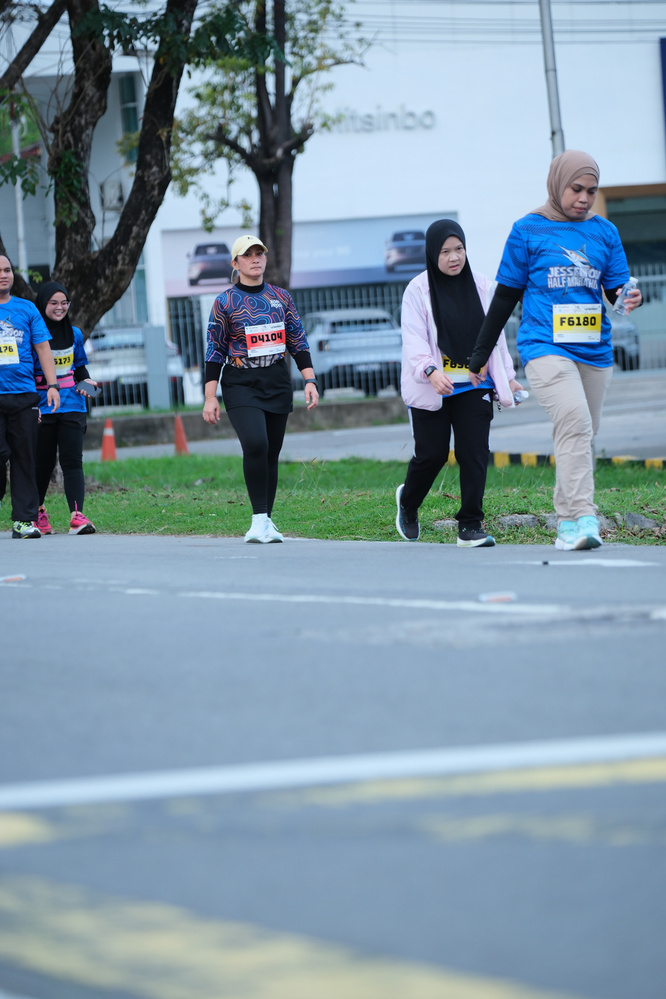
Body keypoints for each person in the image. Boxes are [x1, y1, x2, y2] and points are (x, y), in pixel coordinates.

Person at [468, 150, 642, 551]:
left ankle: (565, 524)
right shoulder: (527, 230)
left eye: (592, 191)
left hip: (595, 351)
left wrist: (628, 297)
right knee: (576, 423)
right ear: (557, 184)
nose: (584, 198)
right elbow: (505, 297)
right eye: (576, 188)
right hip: (544, 346)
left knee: (580, 432)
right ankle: (584, 518)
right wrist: (480, 355)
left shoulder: (605, 232)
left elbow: (616, 289)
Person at [396, 219, 524, 547]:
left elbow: (495, 336)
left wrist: (509, 377)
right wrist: (430, 371)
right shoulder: (417, 290)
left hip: (474, 383)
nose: (454, 257)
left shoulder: (482, 286)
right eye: (445, 252)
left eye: (459, 249)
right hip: (432, 385)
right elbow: (413, 340)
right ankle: (408, 503)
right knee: (433, 454)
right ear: (432, 254)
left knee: (474, 453)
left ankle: (470, 525)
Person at [202, 235, 319, 543]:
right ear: (235, 263)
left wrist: (309, 380)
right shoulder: (225, 302)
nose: (255, 259)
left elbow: (298, 339)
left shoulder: (281, 297)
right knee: (256, 443)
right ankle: (257, 521)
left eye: (259, 253)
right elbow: (214, 349)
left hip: (276, 380)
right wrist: (210, 397)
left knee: (271, 452)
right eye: (247, 254)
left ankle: (266, 521)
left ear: (265, 259)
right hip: (241, 382)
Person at [0, 254, 60, 538]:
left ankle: (24, 520)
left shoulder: (26, 309)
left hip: (23, 395)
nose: (3, 275)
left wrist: (52, 385)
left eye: (7, 270)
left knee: (25, 457)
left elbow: (43, 348)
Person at [33, 281, 98, 535]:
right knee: (43, 463)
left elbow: (79, 369)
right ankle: (37, 511)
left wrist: (88, 384)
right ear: (43, 304)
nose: (60, 308)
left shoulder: (75, 334)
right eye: (53, 303)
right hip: (43, 406)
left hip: (72, 406)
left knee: (72, 461)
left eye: (64, 303)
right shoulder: (33, 335)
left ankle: (76, 516)